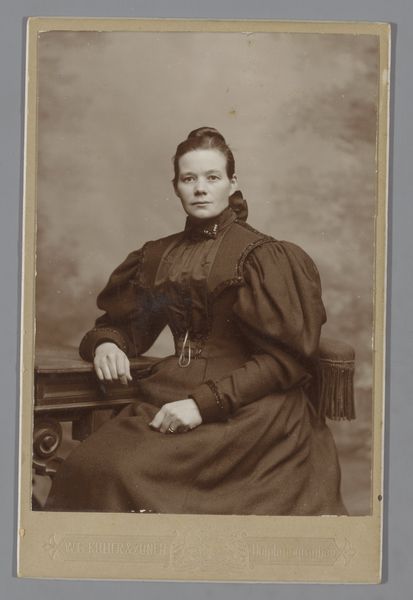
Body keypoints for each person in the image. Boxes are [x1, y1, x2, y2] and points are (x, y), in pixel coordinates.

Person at [46, 127, 347, 515]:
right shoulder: (159, 255)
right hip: (168, 393)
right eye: (189, 179)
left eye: (212, 177)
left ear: (232, 183)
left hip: (250, 408)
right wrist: (107, 343)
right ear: (176, 187)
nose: (200, 189)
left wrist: (201, 405)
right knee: (90, 467)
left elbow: (284, 361)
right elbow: (126, 327)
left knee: (128, 473)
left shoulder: (263, 256)